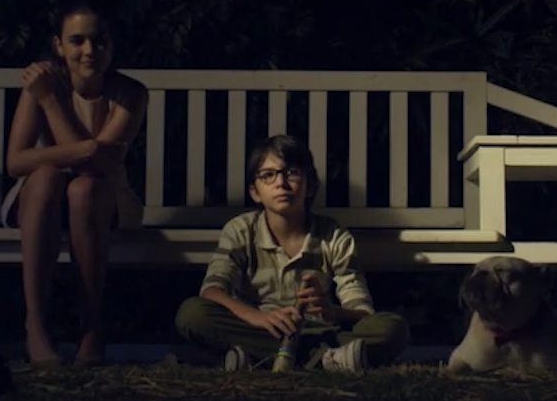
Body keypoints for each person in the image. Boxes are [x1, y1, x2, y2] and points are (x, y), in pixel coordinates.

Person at [174, 134, 408, 372]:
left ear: (310, 186)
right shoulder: (241, 230)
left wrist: (330, 310)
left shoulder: (332, 235)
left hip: (318, 331)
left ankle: (258, 358)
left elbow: (362, 311)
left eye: (292, 173)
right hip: (257, 328)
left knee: (392, 327)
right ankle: (325, 360)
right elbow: (211, 291)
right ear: (255, 192)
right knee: (192, 314)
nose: (281, 183)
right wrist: (257, 317)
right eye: (268, 175)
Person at [3, 0, 147, 367]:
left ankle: (91, 328)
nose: (88, 50)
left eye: (98, 41)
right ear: (58, 45)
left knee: (83, 189)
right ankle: (35, 325)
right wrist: (86, 147)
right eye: (77, 40)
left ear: (111, 45)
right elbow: (16, 162)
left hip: (105, 197)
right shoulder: (41, 86)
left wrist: (51, 103)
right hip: (42, 197)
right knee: (46, 177)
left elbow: (96, 170)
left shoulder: (129, 93)